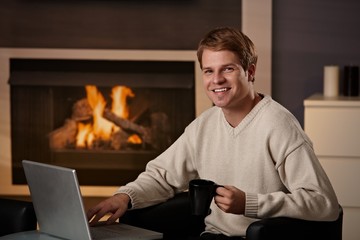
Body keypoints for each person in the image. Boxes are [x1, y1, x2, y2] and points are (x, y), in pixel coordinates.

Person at [87, 27, 339, 239]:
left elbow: (323, 203)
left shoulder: (279, 125)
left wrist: (251, 203)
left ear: (250, 72)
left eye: (227, 69)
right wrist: (124, 196)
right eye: (209, 71)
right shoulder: (205, 124)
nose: (216, 80)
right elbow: (162, 175)